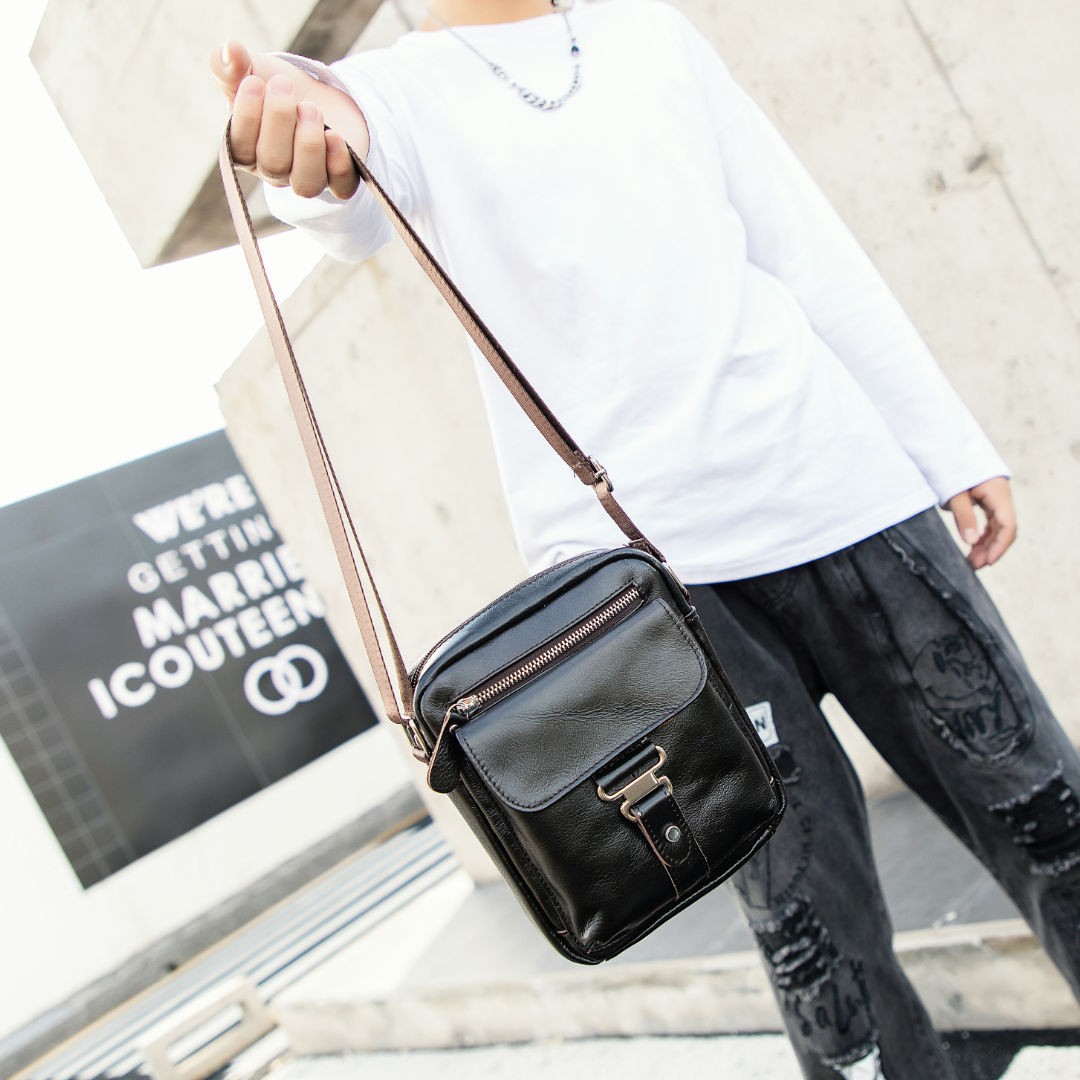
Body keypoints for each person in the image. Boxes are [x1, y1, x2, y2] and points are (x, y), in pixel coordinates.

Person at [211, 2, 1080, 1075]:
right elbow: (330, 171)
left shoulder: (652, 33)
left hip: (847, 492)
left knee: (1048, 817)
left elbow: (800, 240)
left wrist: (943, 440)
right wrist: (297, 150)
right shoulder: (392, 93)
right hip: (649, 605)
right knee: (815, 944)